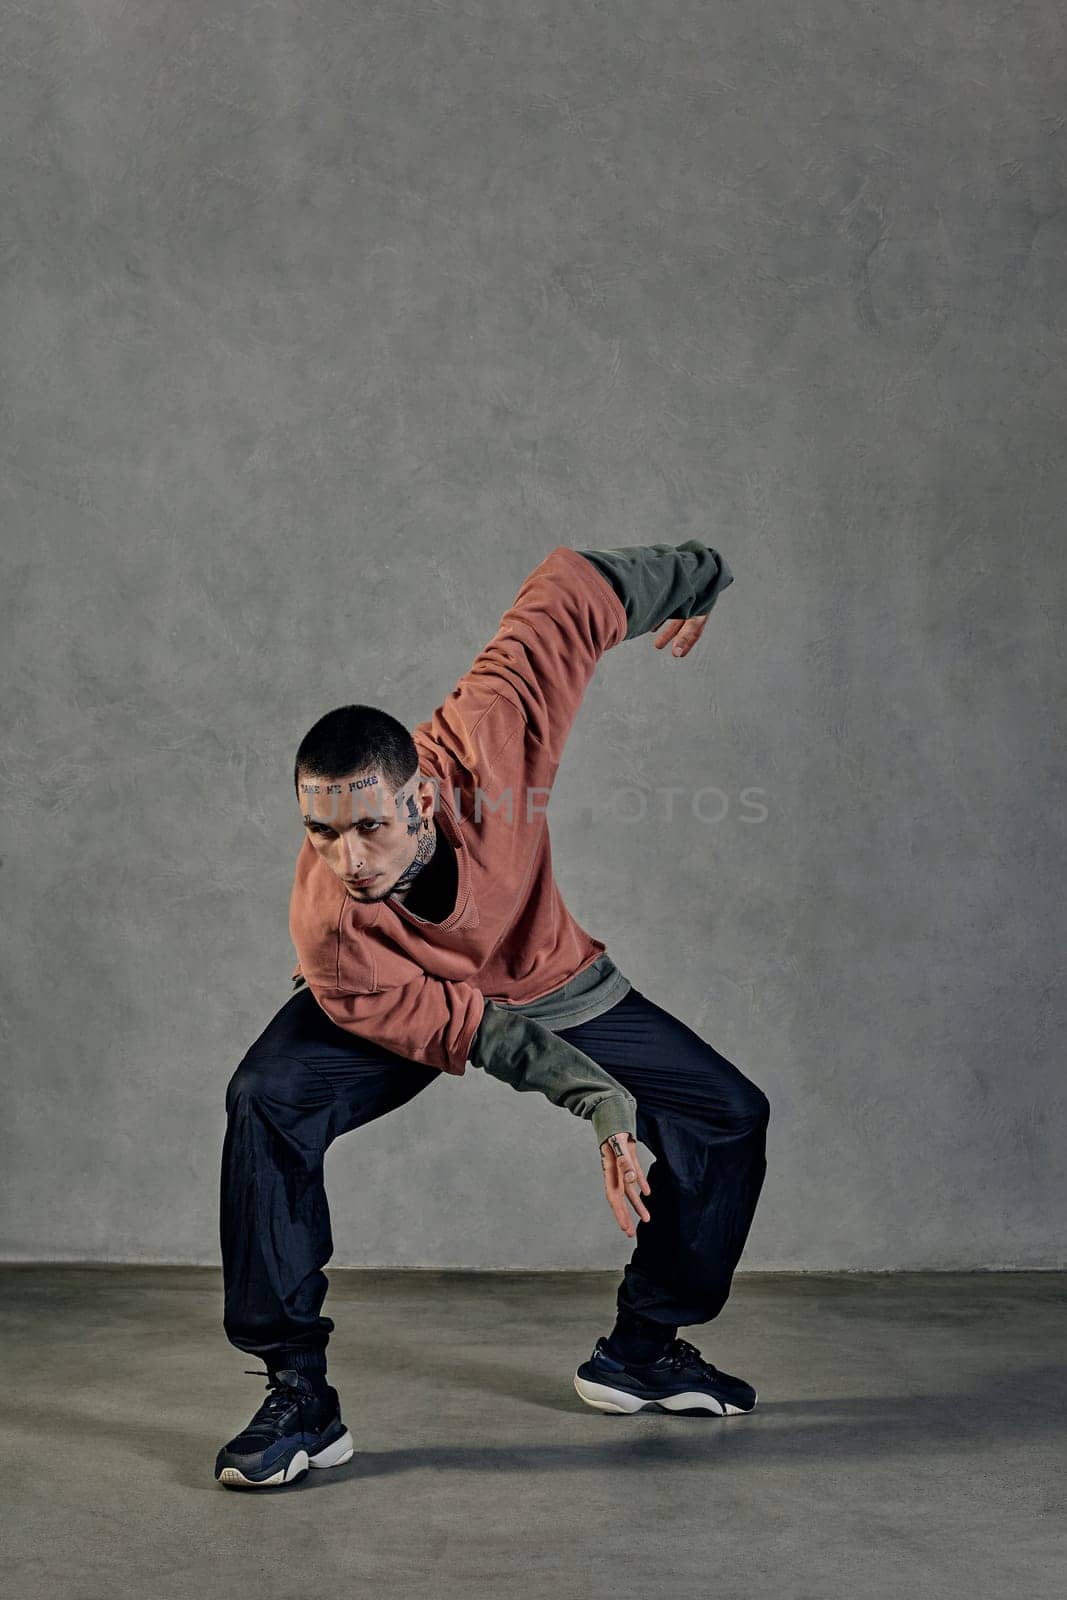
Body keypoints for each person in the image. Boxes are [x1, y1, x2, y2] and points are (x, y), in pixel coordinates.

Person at [214, 539, 770, 1489]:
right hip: (406, 1002)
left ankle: (642, 1349)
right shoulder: (334, 928)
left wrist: (700, 576)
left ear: (420, 797)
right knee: (267, 1097)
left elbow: (570, 592)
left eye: (370, 827)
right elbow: (477, 1034)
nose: (350, 859)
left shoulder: (489, 736)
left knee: (728, 1113)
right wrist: (595, 1101)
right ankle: (297, 1392)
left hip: (546, 973)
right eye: (321, 831)